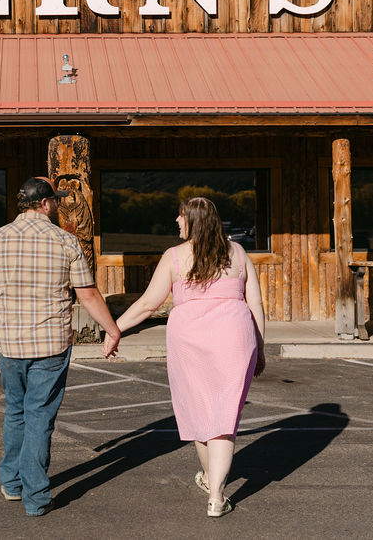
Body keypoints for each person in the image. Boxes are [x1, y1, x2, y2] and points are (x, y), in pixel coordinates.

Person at [0, 176, 120, 516]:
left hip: (9, 342)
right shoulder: (65, 241)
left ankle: (12, 483)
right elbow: (88, 293)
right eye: (56, 201)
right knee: (39, 417)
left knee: (16, 411)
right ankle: (36, 496)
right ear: (46, 203)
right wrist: (113, 330)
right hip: (50, 343)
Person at [114, 196, 266, 518]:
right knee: (224, 419)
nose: (176, 221)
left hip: (189, 341)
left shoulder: (174, 257)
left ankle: (212, 481)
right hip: (234, 340)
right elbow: (255, 305)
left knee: (199, 413)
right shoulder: (238, 253)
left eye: (181, 217)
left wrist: (115, 329)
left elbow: (146, 304)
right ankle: (216, 496)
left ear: (193, 221)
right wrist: (261, 347)